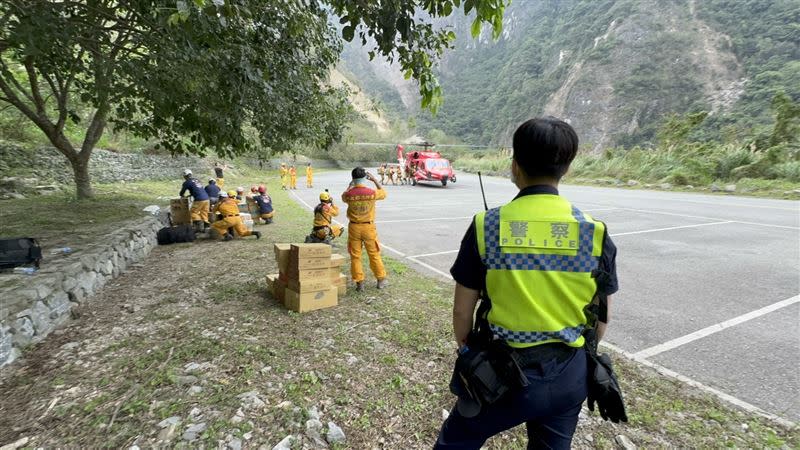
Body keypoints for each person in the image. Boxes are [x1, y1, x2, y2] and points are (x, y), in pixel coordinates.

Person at [434, 118, 620, 449]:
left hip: (499, 377)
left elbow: (462, 312)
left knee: (456, 442)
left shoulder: (485, 227)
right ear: (567, 168)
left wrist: (466, 348)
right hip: (569, 376)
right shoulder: (595, 233)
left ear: (514, 164)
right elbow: (600, 322)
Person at [342, 167, 387, 291]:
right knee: (374, 254)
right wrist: (374, 180)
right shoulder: (371, 192)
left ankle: (359, 283)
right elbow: (383, 193)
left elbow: (344, 196)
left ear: (353, 179)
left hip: (354, 227)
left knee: (355, 256)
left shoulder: (349, 195)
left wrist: (350, 185)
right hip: (368, 227)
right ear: (364, 178)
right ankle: (380, 280)